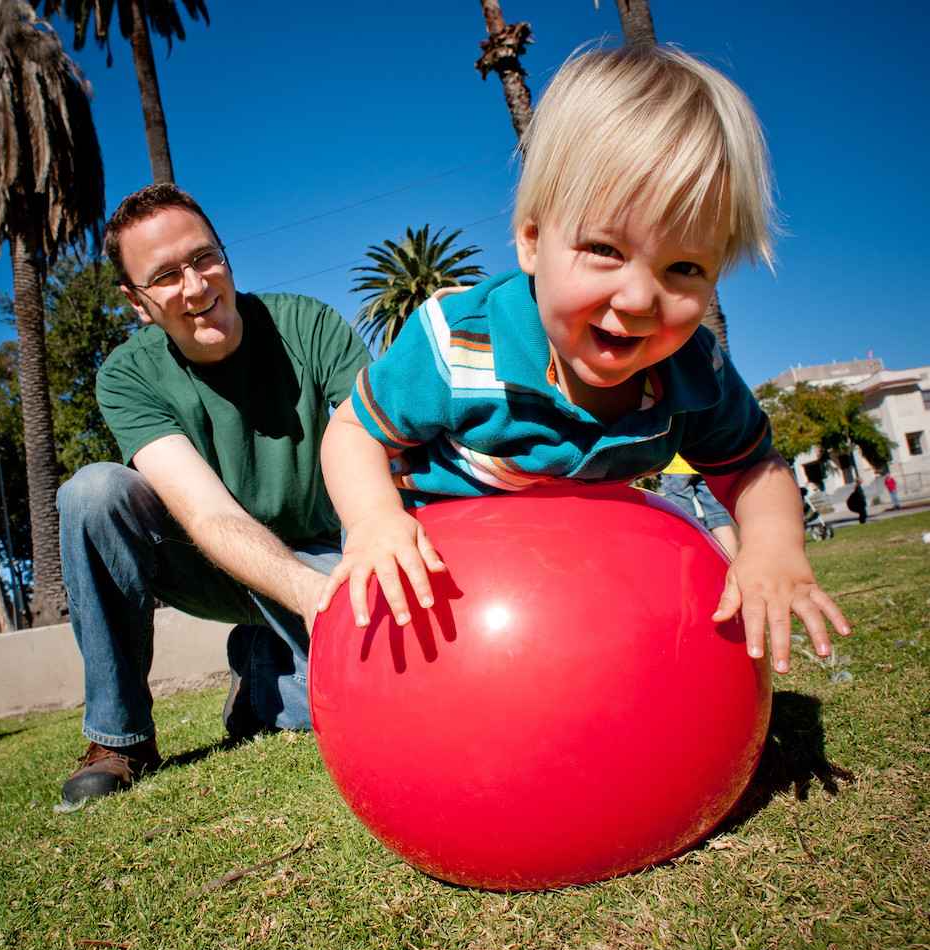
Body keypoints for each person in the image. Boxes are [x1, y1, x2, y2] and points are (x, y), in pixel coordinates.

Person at [317, 44, 850, 676]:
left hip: (565, 569)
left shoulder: (694, 370)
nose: (639, 299)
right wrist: (375, 522)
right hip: (435, 562)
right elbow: (351, 431)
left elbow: (753, 467)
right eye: (604, 248)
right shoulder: (460, 342)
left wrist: (773, 546)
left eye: (684, 267)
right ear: (534, 241)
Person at [56, 183, 371, 802]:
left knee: (364, 696)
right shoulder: (127, 375)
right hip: (205, 555)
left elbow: (384, 438)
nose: (197, 287)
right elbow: (204, 512)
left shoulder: (307, 324)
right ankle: (120, 738)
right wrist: (318, 601)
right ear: (138, 302)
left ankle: (262, 669)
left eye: (204, 258)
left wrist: (372, 545)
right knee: (92, 494)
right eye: (166, 276)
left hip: (320, 551)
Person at [659, 455, 739, 559]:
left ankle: (692, 569)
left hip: (676, 467)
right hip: (704, 464)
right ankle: (732, 564)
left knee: (684, 524)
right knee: (718, 518)